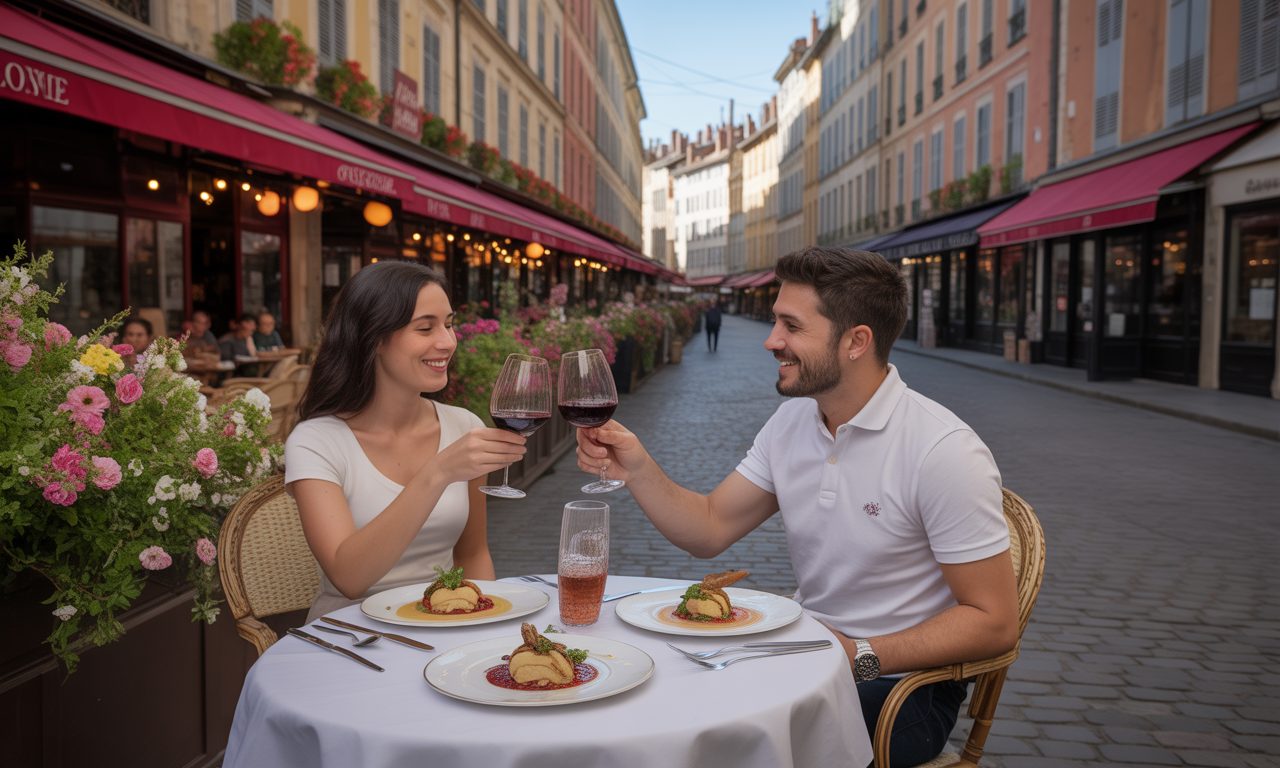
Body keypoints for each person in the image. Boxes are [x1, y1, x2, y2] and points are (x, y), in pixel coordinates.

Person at [575, 247, 1018, 767]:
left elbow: (994, 622)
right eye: (774, 322)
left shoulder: (942, 450)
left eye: (791, 326)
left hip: (904, 688)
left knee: (728, 740)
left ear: (857, 341)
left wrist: (861, 655)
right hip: (802, 654)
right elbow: (710, 527)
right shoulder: (793, 423)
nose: (771, 341)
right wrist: (637, 467)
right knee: (654, 698)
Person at [285, 260, 527, 621]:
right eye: (425, 328)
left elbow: (472, 555)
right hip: (349, 638)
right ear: (374, 338)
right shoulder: (316, 441)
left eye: (448, 325)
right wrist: (438, 472)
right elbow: (349, 577)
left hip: (444, 627)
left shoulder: (463, 426)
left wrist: (484, 627)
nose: (447, 342)